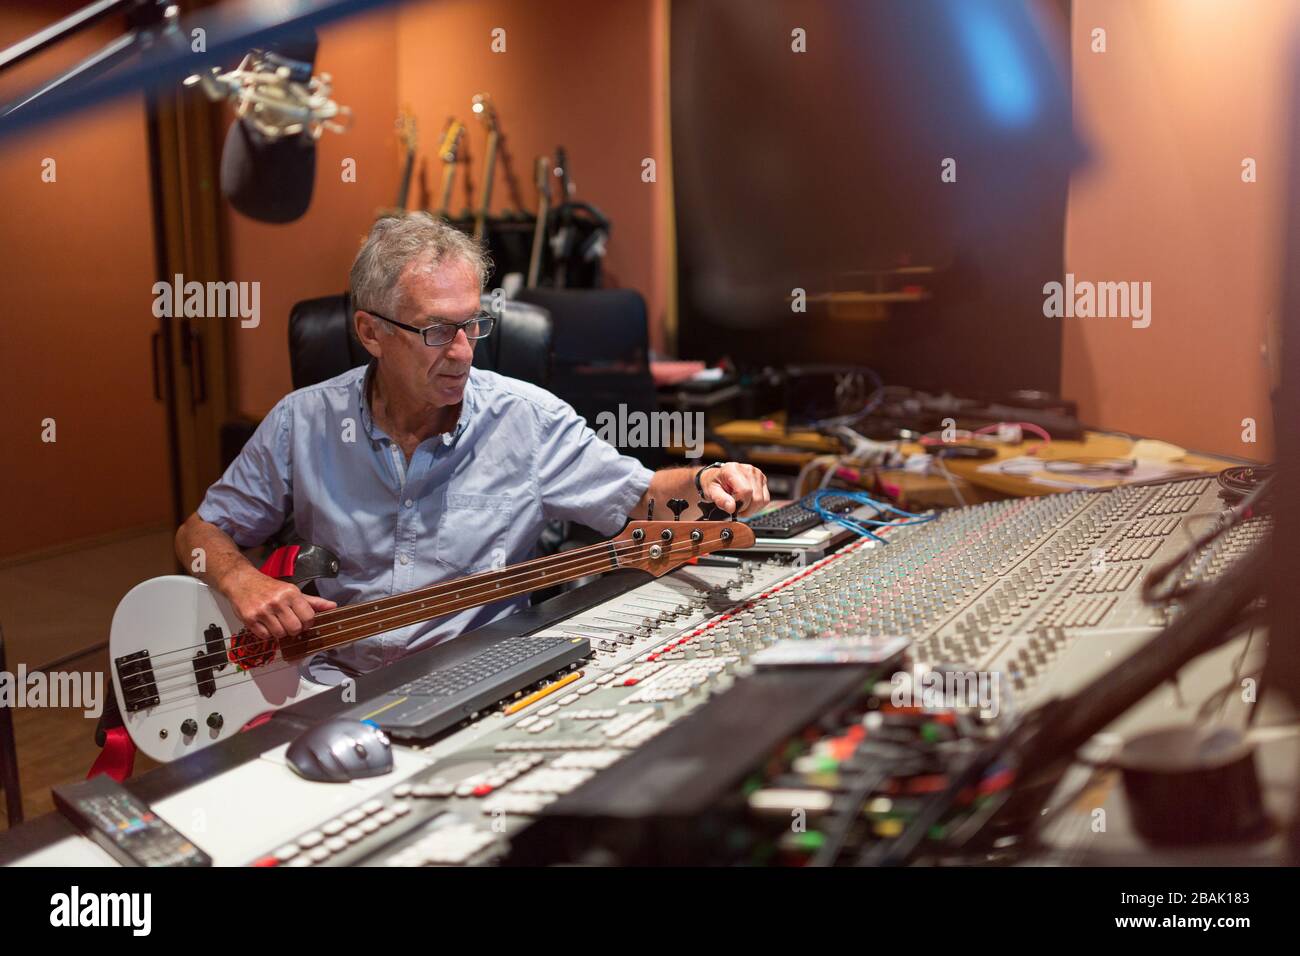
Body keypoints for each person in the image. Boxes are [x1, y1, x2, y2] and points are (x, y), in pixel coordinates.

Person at [176, 213, 770, 682]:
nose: (462, 350)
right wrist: (242, 581)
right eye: (436, 331)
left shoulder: (526, 419)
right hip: (330, 682)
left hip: (478, 680)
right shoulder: (302, 422)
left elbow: (640, 500)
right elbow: (199, 533)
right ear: (370, 332)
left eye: (473, 324)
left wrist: (706, 479)